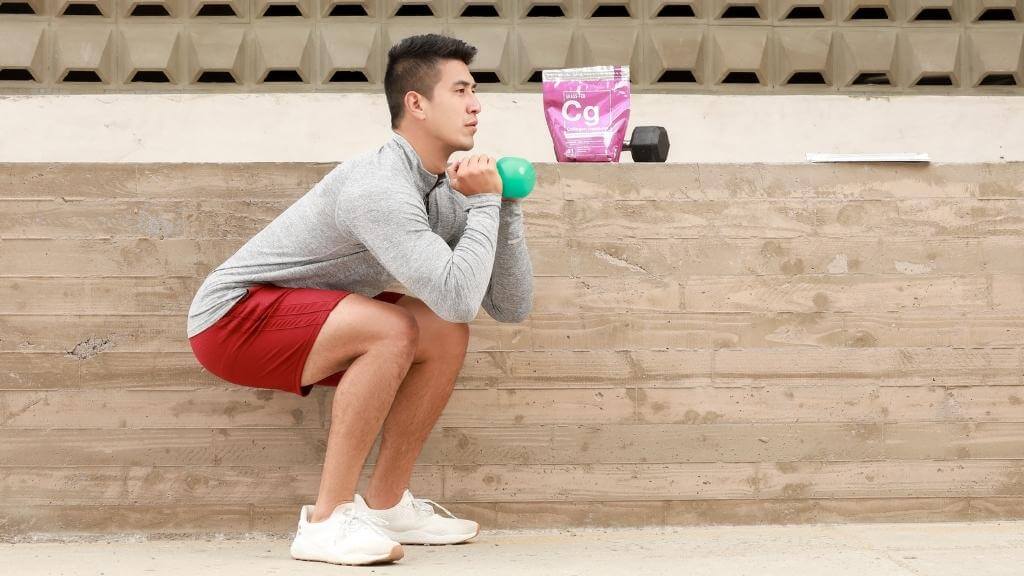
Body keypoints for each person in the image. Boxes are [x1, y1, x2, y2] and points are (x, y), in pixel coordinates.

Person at [185, 33, 533, 566]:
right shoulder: (380, 185)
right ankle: (324, 523)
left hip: (308, 315)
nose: (476, 103)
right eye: (461, 89)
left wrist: (502, 209)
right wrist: (485, 201)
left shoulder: (443, 189)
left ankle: (388, 506)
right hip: (231, 319)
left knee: (443, 332)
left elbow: (507, 306)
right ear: (415, 103)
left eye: (475, 90)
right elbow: (461, 295)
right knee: (393, 327)